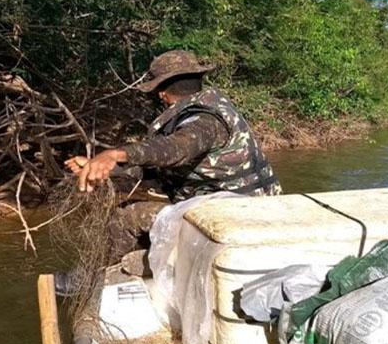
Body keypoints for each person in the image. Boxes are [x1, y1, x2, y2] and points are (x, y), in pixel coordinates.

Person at [65, 50, 281, 263]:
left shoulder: (204, 120)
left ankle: (96, 276)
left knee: (127, 217)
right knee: (145, 205)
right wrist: (109, 169)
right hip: (241, 207)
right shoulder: (212, 107)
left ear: (162, 92)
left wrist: (114, 154)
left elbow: (175, 148)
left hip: (236, 215)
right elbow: (156, 167)